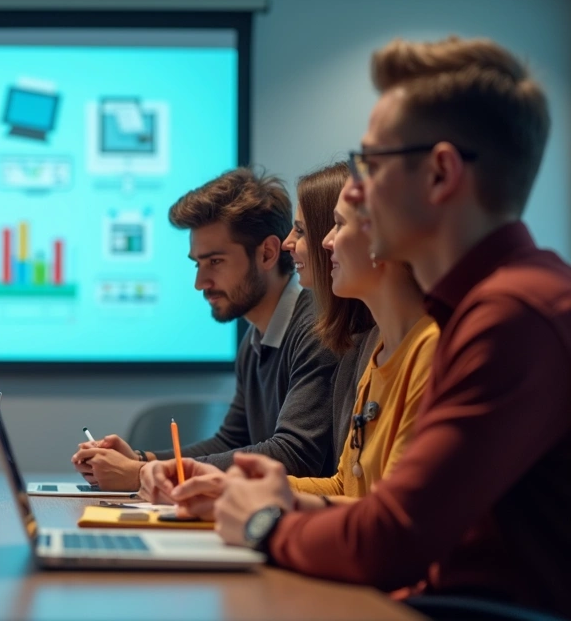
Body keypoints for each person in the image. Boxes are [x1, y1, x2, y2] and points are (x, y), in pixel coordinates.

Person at [211, 37, 571, 617]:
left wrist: (264, 525)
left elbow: (393, 540)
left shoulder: (512, 315)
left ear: (441, 174)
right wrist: (286, 507)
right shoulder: (486, 307)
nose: (352, 191)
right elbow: (396, 515)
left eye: (370, 166)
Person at [140, 165, 438, 518]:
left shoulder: (422, 349)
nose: (322, 241)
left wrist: (263, 522)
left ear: (383, 238)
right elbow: (345, 487)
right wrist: (215, 482)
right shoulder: (377, 351)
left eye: (337, 225)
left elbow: (394, 517)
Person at [73, 168, 340, 490]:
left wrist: (143, 474)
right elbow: (232, 441)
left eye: (215, 262)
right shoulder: (255, 338)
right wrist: (143, 460)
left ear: (267, 253)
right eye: (198, 264)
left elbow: (294, 455)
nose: (200, 283)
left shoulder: (316, 329)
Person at [284, 163, 378, 458]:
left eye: (301, 230)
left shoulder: (411, 343)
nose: (328, 241)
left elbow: (295, 453)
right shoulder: (363, 343)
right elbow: (347, 480)